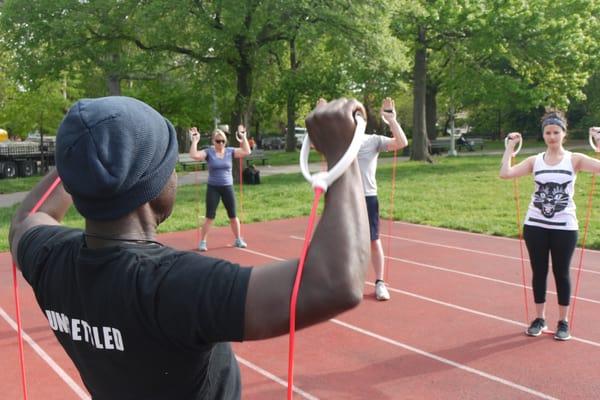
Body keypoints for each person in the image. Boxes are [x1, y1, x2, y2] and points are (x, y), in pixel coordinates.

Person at [9, 96, 370, 399]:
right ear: (147, 186)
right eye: (169, 165)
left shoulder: (50, 259)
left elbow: (26, 219)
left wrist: (84, 149)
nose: (175, 175)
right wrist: (343, 153)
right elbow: (336, 282)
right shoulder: (170, 285)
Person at [500, 111, 600, 341]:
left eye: (556, 132)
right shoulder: (535, 161)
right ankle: (539, 318)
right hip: (535, 224)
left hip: (564, 226)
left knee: (561, 272)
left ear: (564, 134)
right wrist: (509, 148)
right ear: (543, 134)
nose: (552, 136)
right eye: (548, 132)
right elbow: (506, 174)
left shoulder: (575, 159)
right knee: (539, 271)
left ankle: (563, 322)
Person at [318, 97, 408, 301]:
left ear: (364, 121)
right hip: (343, 196)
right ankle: (341, 282)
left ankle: (380, 283)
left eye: (359, 116)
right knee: (342, 240)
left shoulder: (373, 140)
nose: (355, 120)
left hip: (367, 197)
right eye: (351, 117)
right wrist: (321, 118)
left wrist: (391, 120)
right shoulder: (338, 141)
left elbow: (402, 142)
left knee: (373, 241)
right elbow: (315, 145)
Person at [189, 125, 251, 251]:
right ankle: (203, 242)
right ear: (213, 141)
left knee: (233, 215)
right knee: (210, 216)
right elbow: (194, 155)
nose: (221, 143)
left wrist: (243, 137)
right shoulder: (209, 152)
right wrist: (195, 141)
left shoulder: (230, 151)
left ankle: (238, 239)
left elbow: (246, 151)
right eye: (218, 141)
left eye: (223, 141)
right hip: (213, 188)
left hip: (227, 187)